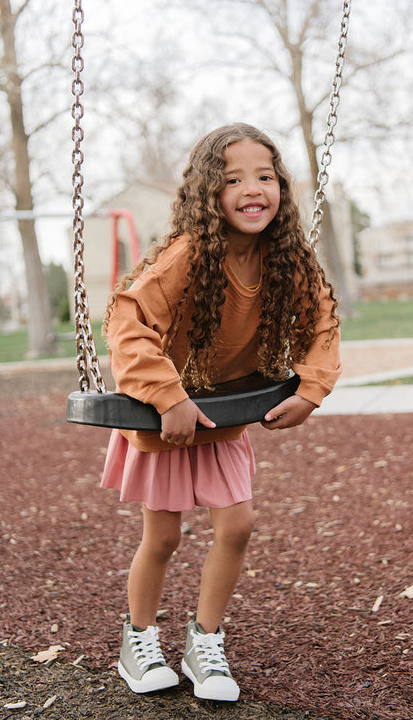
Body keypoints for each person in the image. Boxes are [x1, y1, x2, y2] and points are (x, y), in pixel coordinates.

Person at [100, 123, 341, 701]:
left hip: (223, 417)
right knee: (163, 537)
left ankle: (204, 641)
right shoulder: (188, 256)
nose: (252, 189)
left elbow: (322, 326)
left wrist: (311, 389)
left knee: (237, 526)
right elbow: (127, 322)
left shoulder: (287, 260)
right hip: (165, 422)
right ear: (209, 192)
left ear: (281, 187)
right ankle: (139, 640)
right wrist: (168, 396)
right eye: (233, 179)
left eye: (265, 177)